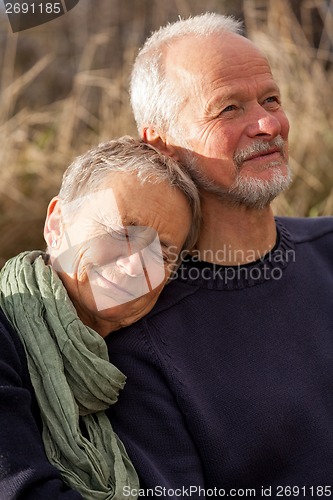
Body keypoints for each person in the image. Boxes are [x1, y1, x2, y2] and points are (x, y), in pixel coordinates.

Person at [105, 13, 333, 498]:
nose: (268, 123)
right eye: (229, 108)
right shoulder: (139, 339)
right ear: (160, 144)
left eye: (270, 99)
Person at [0, 136, 200, 499]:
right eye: (123, 232)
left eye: (164, 253)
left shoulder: (142, 366)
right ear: (57, 225)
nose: (134, 265)